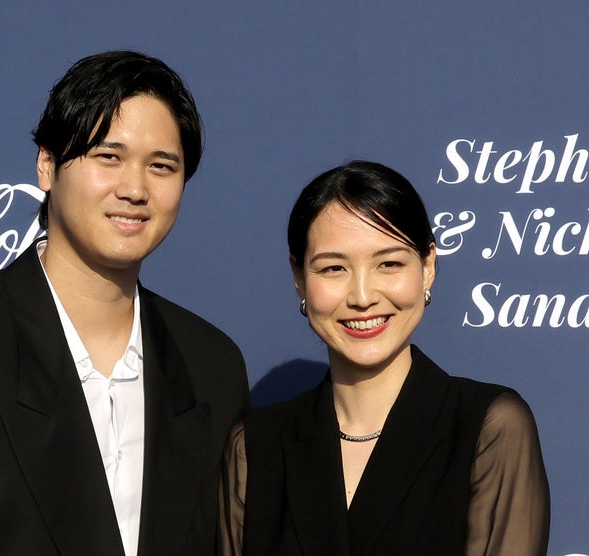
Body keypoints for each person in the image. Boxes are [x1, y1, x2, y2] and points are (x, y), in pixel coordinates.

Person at [0, 50, 250, 555]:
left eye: (161, 166)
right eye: (108, 157)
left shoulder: (210, 366)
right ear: (47, 166)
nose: (135, 189)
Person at [220, 161, 549, 555]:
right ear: (298, 277)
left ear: (427, 267)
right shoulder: (255, 448)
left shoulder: (488, 427)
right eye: (334, 268)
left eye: (389, 264)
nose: (362, 296)